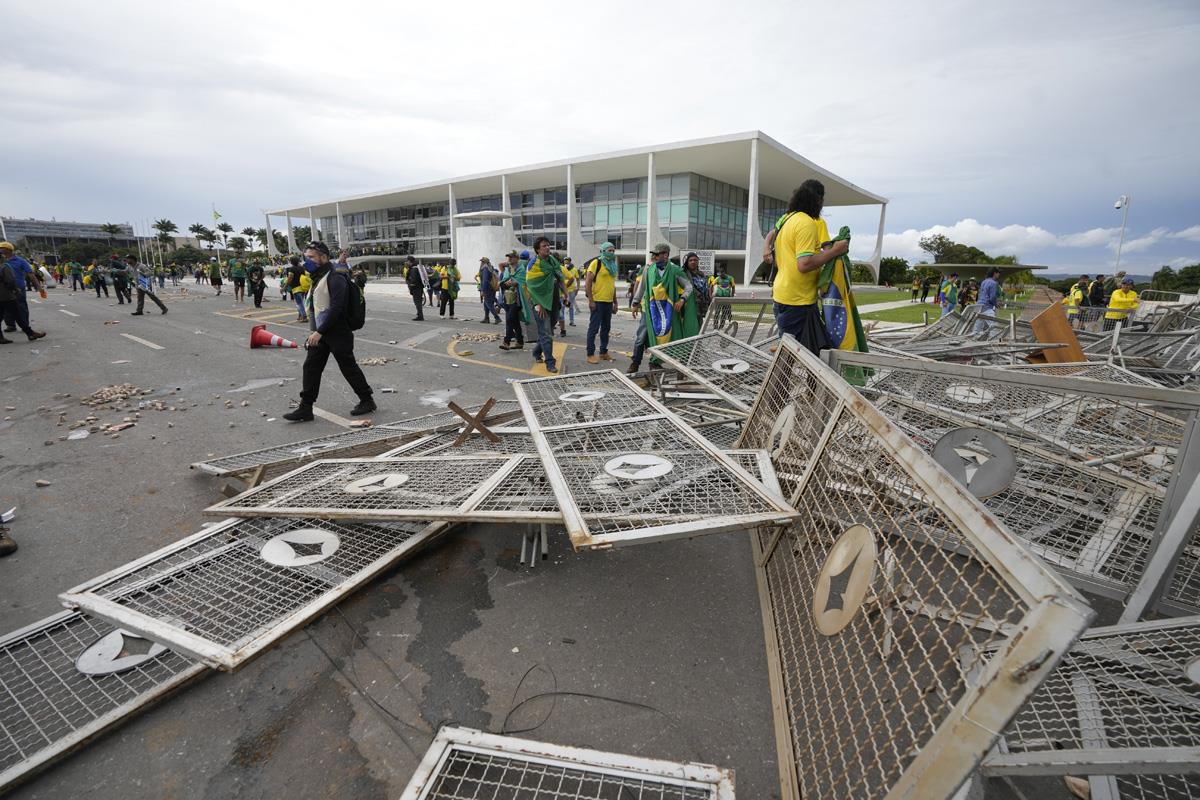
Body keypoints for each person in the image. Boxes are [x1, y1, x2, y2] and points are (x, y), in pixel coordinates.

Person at [284, 241, 375, 421]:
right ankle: (306, 407)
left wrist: (319, 332)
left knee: (348, 367)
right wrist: (315, 332)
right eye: (305, 257)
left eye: (311, 257)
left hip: (338, 332)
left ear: (323, 257)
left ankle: (367, 400)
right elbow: (317, 309)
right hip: (323, 332)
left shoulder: (336, 278)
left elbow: (337, 308)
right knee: (311, 366)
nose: (306, 261)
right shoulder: (319, 277)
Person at [769, 181, 845, 354]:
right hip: (797, 301)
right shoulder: (806, 223)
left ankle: (810, 381)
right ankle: (776, 381)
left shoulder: (787, 219)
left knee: (811, 350)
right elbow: (804, 264)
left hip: (786, 295)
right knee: (790, 356)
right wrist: (835, 251)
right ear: (818, 200)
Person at [628, 243, 692, 372]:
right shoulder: (648, 269)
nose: (654, 257)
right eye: (654, 254)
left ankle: (655, 362)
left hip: (668, 311)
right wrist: (635, 303)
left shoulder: (675, 271)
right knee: (642, 337)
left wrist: (682, 299)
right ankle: (635, 363)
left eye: (657, 254)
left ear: (666, 255)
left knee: (665, 337)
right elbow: (642, 287)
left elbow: (688, 286)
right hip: (649, 310)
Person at [522, 237, 562, 373]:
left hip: (553, 300)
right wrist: (539, 304)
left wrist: (566, 295)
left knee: (548, 330)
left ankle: (536, 351)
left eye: (548, 245)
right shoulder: (533, 264)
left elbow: (559, 276)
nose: (547, 248)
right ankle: (550, 362)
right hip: (538, 302)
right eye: (544, 246)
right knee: (546, 333)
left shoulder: (552, 261)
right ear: (538, 250)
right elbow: (531, 286)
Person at [0, 242, 46, 340]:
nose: (1, 251)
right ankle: (13, 326)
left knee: (20, 308)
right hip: (5, 291)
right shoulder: (2, 263)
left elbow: (30, 274)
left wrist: (39, 287)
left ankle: (26, 328)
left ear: (8, 250)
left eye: (2, 248)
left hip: (17, 289)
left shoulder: (20, 261)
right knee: (7, 310)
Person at [584, 242, 619, 364]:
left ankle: (603, 352)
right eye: (609, 250)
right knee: (593, 329)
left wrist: (615, 302)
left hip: (608, 302)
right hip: (597, 301)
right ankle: (590, 354)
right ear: (603, 251)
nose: (612, 253)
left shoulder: (612, 266)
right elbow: (587, 282)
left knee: (606, 329)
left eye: (613, 251)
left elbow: (612, 285)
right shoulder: (596, 263)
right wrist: (591, 300)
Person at [498, 251, 525, 350]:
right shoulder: (507, 270)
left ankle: (506, 342)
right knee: (514, 321)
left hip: (517, 299)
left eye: (511, 257)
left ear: (517, 259)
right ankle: (520, 341)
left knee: (509, 319)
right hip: (507, 298)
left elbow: (523, 282)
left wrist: (514, 283)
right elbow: (503, 281)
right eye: (508, 257)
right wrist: (506, 283)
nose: (509, 259)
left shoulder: (521, 269)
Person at [681, 252, 708, 336]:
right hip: (688, 306)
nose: (693, 262)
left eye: (695, 260)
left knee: (700, 328)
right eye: (690, 260)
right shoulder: (683, 274)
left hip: (700, 306)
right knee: (689, 328)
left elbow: (705, 290)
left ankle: (698, 346)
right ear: (687, 262)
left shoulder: (702, 275)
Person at [975, 267, 1001, 333]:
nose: (999, 274)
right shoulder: (993, 283)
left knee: (977, 328)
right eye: (998, 273)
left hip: (979, 306)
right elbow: (992, 297)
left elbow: (980, 294)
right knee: (994, 327)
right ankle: (993, 341)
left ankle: (974, 340)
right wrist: (996, 304)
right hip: (987, 307)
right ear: (995, 273)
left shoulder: (984, 281)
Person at [477, 257, 502, 324]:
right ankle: (486, 318)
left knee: (489, 304)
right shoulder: (490, 268)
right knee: (486, 303)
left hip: (487, 289)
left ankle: (497, 318)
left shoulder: (485, 269)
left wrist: (482, 290)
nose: (481, 263)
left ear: (483, 262)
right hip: (492, 288)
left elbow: (485, 280)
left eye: (482, 262)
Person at [286, 255, 310, 322]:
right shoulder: (302, 268)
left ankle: (304, 317)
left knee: (299, 303)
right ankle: (300, 316)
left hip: (296, 288)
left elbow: (290, 278)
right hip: (302, 288)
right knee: (300, 302)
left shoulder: (292, 269)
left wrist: (284, 287)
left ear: (291, 262)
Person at [404, 256, 426, 320]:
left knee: (417, 302)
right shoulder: (417, 267)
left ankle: (420, 316)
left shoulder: (413, 269)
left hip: (416, 288)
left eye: (407, 261)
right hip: (419, 287)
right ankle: (419, 314)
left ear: (409, 261)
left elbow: (413, 279)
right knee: (418, 301)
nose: (407, 262)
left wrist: (411, 285)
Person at [560, 257, 579, 330]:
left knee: (570, 306)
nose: (566, 263)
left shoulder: (574, 269)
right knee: (562, 306)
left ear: (570, 262)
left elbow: (577, 279)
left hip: (571, 291)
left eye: (567, 262)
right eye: (565, 262)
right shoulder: (562, 269)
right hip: (562, 290)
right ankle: (561, 320)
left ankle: (572, 321)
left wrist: (578, 287)